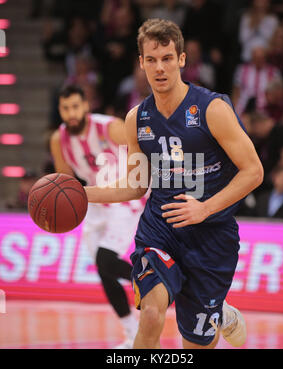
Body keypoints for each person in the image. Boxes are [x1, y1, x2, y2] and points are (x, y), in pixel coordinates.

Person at [85, 19, 264, 349]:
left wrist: (205, 208)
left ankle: (218, 312)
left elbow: (253, 171)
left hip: (211, 236)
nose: (159, 68)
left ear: (182, 59)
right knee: (152, 314)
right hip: (160, 230)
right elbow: (138, 185)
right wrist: (83, 195)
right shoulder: (136, 119)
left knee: (194, 346)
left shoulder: (212, 109)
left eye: (167, 58)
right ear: (141, 63)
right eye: (151, 60)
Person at [50, 84, 143, 349]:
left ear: (86, 106)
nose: (72, 113)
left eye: (76, 107)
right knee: (104, 271)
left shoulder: (108, 127)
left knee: (105, 258)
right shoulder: (59, 140)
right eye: (66, 108)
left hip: (124, 196)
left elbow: (144, 148)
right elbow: (65, 183)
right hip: (95, 199)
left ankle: (155, 283)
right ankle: (133, 335)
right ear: (60, 111)